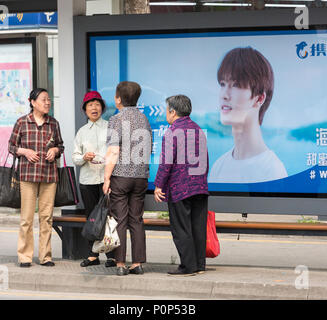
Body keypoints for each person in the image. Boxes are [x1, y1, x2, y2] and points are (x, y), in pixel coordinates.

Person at [208, 47, 287, 183]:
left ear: (259, 99)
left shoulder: (273, 171)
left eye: (236, 85)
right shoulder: (218, 167)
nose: (224, 95)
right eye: (223, 84)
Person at [154, 94, 210, 276]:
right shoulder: (198, 129)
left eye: (166, 110)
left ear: (173, 111)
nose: (166, 114)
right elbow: (206, 160)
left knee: (181, 228)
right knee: (198, 227)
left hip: (180, 188)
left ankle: (187, 266)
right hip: (200, 187)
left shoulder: (172, 131)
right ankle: (199, 265)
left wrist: (158, 185)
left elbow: (166, 163)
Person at [8, 88, 64, 268]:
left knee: (47, 218)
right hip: (28, 175)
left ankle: (45, 256)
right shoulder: (22, 122)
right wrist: (24, 151)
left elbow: (61, 146)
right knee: (26, 218)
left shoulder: (53, 123)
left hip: (49, 175)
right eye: (43, 100)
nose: (47, 103)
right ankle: (25, 256)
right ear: (32, 102)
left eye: (48, 100)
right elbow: (11, 146)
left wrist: (55, 151)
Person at [103, 81, 152, 276]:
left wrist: (106, 177)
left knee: (120, 220)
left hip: (121, 176)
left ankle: (121, 263)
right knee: (137, 220)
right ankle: (138, 263)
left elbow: (113, 151)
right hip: (140, 176)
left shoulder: (116, 120)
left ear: (118, 99)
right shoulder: (144, 120)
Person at [72, 91, 116, 268]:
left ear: (102, 108)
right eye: (90, 105)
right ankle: (93, 254)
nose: (94, 108)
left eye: (97, 104)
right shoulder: (81, 132)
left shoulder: (110, 127)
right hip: (88, 180)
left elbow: (115, 151)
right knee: (91, 217)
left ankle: (112, 254)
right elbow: (75, 157)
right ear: (85, 110)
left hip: (107, 179)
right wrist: (84, 157)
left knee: (109, 216)